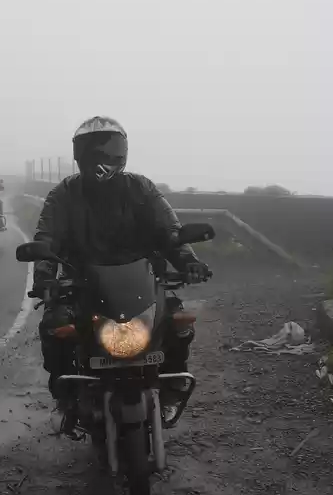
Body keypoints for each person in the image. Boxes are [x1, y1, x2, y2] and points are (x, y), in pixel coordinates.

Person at [30, 116, 209, 398]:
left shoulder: (142, 189)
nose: (103, 158)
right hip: (81, 284)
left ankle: (172, 384)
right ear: (80, 154)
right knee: (55, 326)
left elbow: (170, 230)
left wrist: (189, 263)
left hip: (142, 281)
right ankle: (65, 389)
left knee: (176, 321)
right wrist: (45, 278)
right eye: (95, 151)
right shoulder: (64, 194)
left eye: (110, 150)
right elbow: (47, 238)